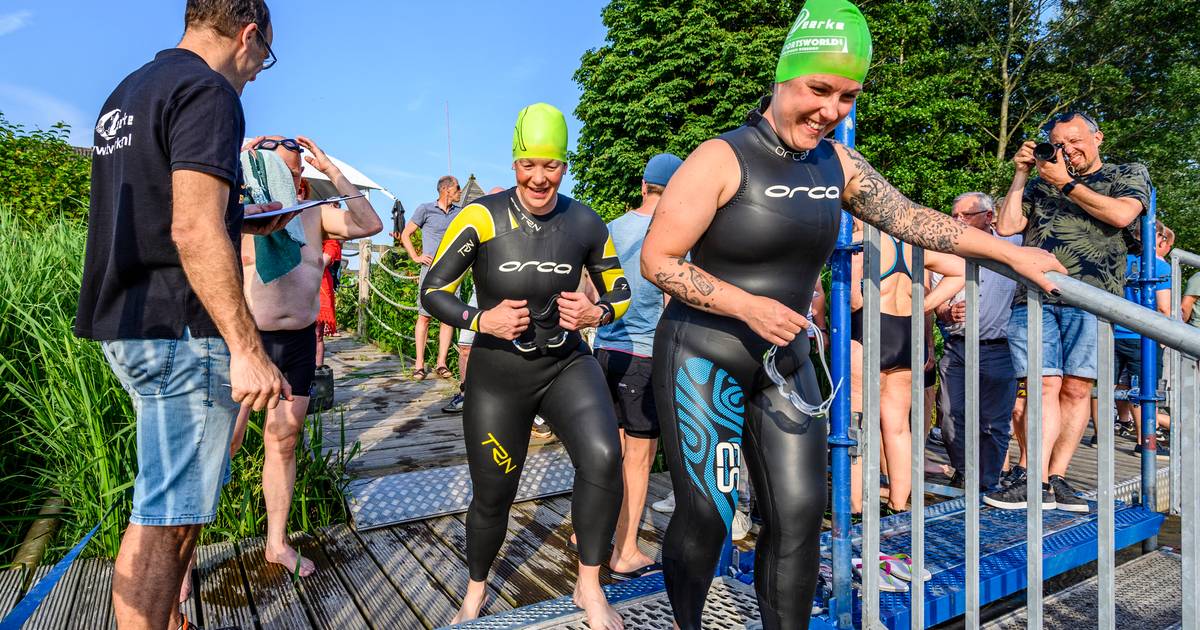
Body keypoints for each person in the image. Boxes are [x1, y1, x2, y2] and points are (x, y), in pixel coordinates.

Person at [639, 1, 1063, 627]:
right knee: (710, 511)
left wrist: (1008, 254)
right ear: (782, 77)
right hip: (704, 354)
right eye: (818, 89)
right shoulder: (721, 157)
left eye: (846, 96)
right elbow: (660, 260)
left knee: (802, 512)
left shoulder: (836, 163)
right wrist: (747, 305)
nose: (830, 111)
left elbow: (914, 220)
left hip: (784, 361)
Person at [74, 2, 292, 628]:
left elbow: (155, 208)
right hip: (183, 331)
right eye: (263, 56)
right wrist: (247, 349)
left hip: (128, 320)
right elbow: (193, 226)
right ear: (248, 33)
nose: (256, 71)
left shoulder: (128, 92)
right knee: (165, 519)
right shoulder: (210, 91)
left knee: (178, 501)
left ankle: (171, 619)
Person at [420, 103, 632, 629]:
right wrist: (480, 318)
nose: (540, 178)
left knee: (605, 457)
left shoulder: (584, 221)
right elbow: (433, 291)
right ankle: (474, 592)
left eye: (552, 166)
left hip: (565, 366)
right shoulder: (481, 216)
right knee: (495, 492)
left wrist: (596, 311)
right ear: (515, 162)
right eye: (529, 164)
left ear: (564, 164)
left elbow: (620, 290)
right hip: (498, 377)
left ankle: (589, 585)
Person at [230, 135, 382, 576]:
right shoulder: (238, 217)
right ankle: (180, 561)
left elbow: (370, 224)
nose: (289, 179)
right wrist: (234, 157)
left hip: (297, 341)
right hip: (247, 341)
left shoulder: (314, 214)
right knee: (223, 446)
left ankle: (276, 543)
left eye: (295, 172)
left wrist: (332, 171)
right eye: (277, 170)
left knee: (284, 439)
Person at [991, 110, 1151, 512]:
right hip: (1034, 294)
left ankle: (1057, 478)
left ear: (1099, 138)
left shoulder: (1126, 172)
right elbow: (1008, 226)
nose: (1067, 150)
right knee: (1042, 384)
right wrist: (1022, 175)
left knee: (1078, 388)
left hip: (1094, 297)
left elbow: (1121, 215)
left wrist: (1067, 185)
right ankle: (1033, 477)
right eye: (1059, 143)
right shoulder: (1042, 180)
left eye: (1075, 140)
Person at [593, 153, 683, 579]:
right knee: (638, 460)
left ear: (643, 185)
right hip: (645, 356)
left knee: (605, 452)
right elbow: (671, 303)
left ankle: (588, 531)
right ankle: (624, 550)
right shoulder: (674, 233)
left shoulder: (611, 229)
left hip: (604, 352)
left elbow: (590, 289)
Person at [848, 218, 963, 515]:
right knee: (898, 427)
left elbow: (852, 299)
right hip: (905, 336)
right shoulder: (915, 248)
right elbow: (960, 270)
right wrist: (923, 305)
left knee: (857, 424)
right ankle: (898, 504)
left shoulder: (863, 242)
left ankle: (856, 506)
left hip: (870, 330)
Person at [933, 193, 1021, 490]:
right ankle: (963, 471)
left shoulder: (1015, 247)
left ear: (989, 216)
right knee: (948, 413)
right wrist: (946, 311)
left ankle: (987, 483)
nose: (957, 221)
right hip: (957, 346)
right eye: (954, 215)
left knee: (994, 423)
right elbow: (938, 305)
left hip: (999, 348)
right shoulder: (945, 250)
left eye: (965, 215)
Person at [442, 186, 509, 415]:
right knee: (465, 346)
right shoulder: (478, 225)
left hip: (511, 297)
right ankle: (465, 392)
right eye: (490, 199)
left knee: (511, 350)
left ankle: (510, 402)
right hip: (479, 294)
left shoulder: (516, 226)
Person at [1113, 221, 1172, 457]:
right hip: (1143, 336)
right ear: (1157, 238)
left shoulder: (1119, 262)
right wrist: (1164, 336)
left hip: (1113, 332)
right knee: (1144, 388)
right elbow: (1163, 308)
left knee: (1107, 386)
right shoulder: (1158, 266)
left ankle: (1101, 434)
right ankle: (1144, 441)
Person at [400, 176, 463, 380]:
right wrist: (416, 256)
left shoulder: (460, 213)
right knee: (424, 316)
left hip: (453, 273)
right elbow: (405, 234)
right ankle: (419, 365)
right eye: (457, 188)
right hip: (430, 272)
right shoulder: (425, 209)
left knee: (448, 318)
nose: (460, 192)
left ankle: (441, 363)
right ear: (446, 190)